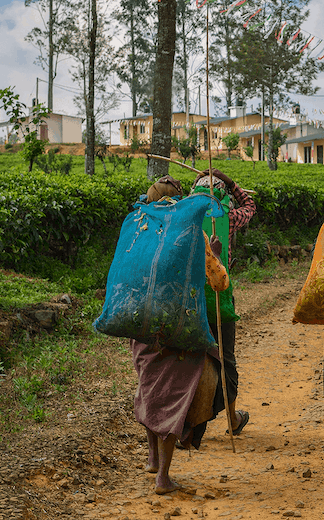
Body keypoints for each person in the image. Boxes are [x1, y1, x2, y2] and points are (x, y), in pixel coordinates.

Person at [132, 175, 231, 494]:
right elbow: (218, 283)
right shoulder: (193, 234)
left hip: (141, 324)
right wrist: (214, 253)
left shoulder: (138, 231)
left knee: (149, 386)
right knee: (172, 393)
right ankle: (163, 476)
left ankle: (151, 458)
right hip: (179, 325)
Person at [191, 168, 257, 437]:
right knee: (226, 358)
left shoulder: (187, 216)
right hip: (221, 298)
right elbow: (250, 206)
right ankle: (232, 418)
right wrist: (231, 181)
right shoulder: (229, 217)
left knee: (193, 359)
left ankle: (191, 425)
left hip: (191, 302)